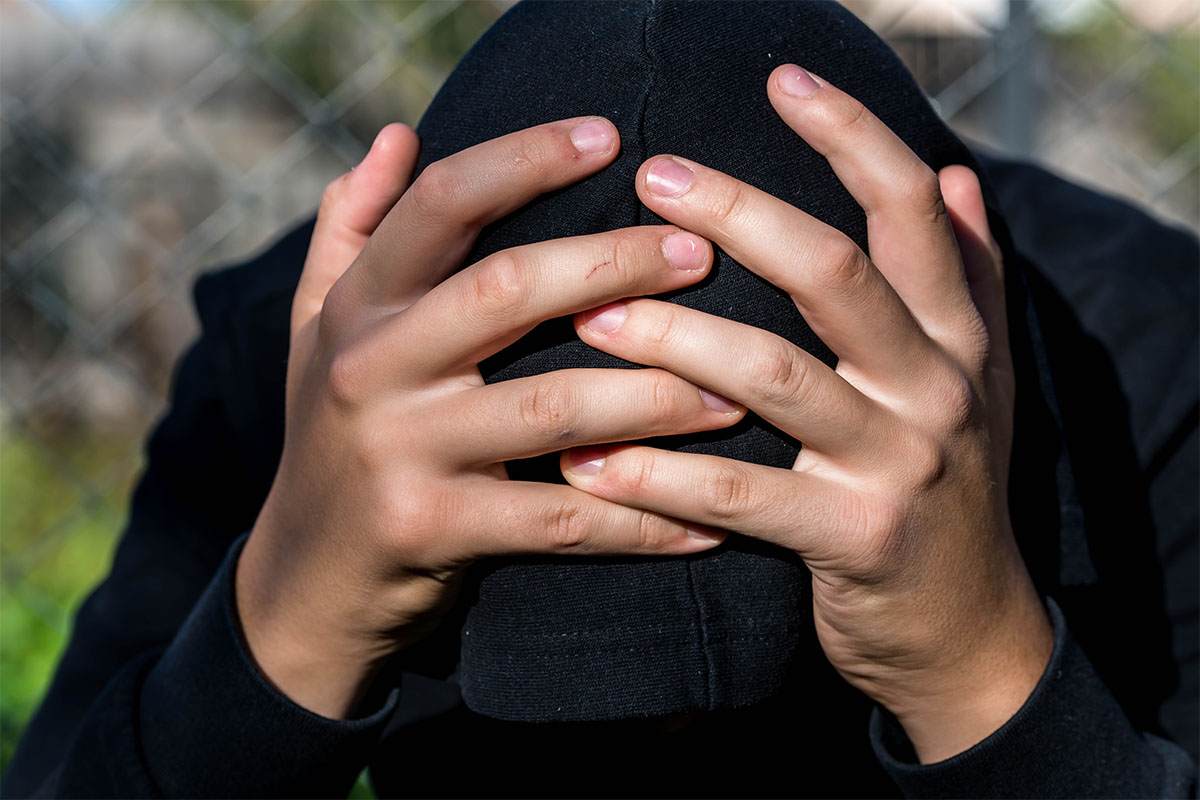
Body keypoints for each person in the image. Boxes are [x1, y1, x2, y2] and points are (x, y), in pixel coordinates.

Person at [4, 2, 1196, 797]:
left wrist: (978, 670)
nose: (662, 738)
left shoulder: (1148, 361)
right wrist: (286, 621)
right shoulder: (320, 372)